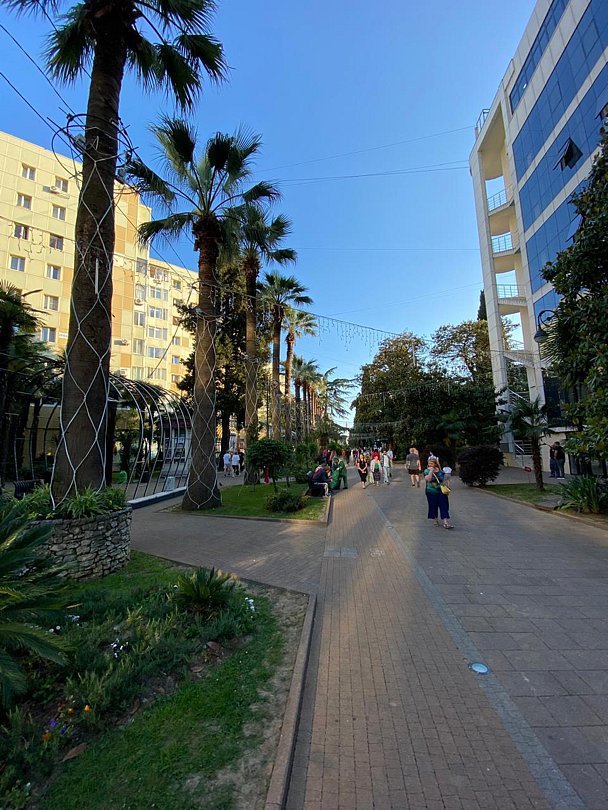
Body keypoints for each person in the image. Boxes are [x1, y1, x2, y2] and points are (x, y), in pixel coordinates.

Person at [424, 457, 453, 529]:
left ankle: (445, 522)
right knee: (433, 505)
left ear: (435, 464)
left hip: (441, 491)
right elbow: (428, 479)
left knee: (444, 505)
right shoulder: (426, 471)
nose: (430, 465)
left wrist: (446, 487)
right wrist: (431, 471)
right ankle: (435, 519)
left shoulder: (440, 470)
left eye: (432, 463)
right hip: (431, 491)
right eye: (429, 463)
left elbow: (443, 480)